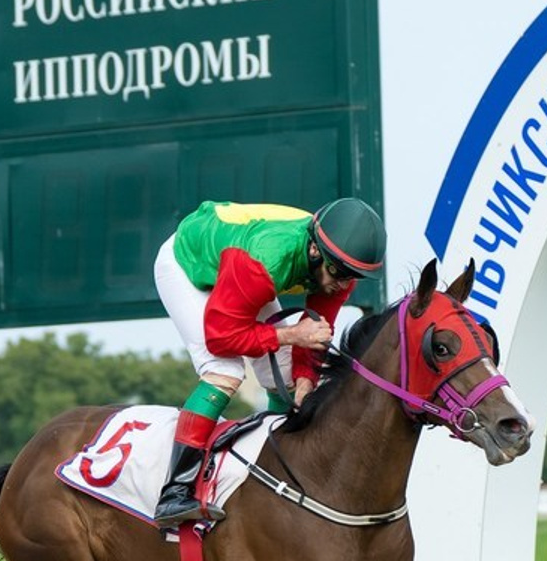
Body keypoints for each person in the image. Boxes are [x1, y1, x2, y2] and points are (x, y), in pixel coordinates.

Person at [151, 197, 387, 526]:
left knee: (288, 376)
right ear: (315, 250)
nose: (344, 284)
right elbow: (221, 337)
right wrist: (291, 335)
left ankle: (279, 470)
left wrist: (305, 379)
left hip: (239, 267)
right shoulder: (264, 261)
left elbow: (315, 332)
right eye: (339, 273)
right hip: (188, 264)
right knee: (224, 370)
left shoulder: (337, 263)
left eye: (354, 276)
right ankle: (175, 492)